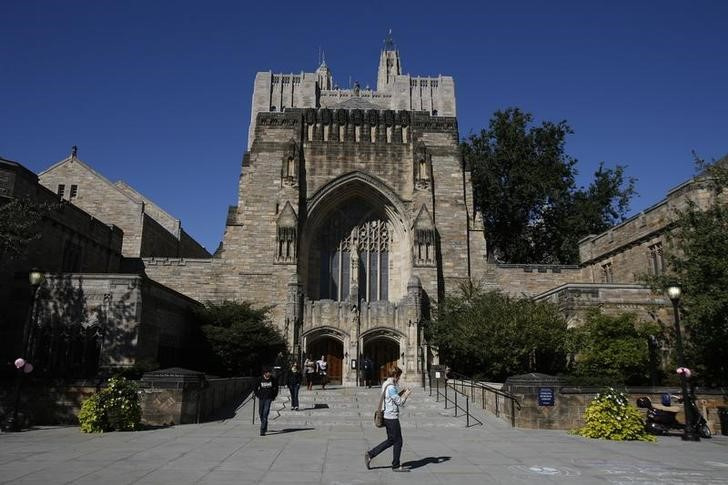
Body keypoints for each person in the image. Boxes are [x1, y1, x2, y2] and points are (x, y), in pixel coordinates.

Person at [365, 366, 412, 472]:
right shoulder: (391, 387)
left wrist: (401, 392)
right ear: (395, 375)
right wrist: (406, 395)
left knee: (391, 440)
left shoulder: (386, 384)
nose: (399, 379)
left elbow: (392, 399)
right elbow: (399, 402)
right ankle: (395, 465)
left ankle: (370, 454)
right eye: (399, 376)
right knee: (398, 441)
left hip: (387, 416)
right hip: (391, 417)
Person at [253, 367, 278, 436]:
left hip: (269, 398)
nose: (269, 374)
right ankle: (265, 424)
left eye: (270, 373)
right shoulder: (260, 379)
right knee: (260, 412)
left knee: (265, 413)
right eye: (268, 373)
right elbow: (255, 388)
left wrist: (274, 396)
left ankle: (262, 430)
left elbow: (276, 388)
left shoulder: (273, 379)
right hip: (261, 398)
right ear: (265, 373)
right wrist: (258, 395)